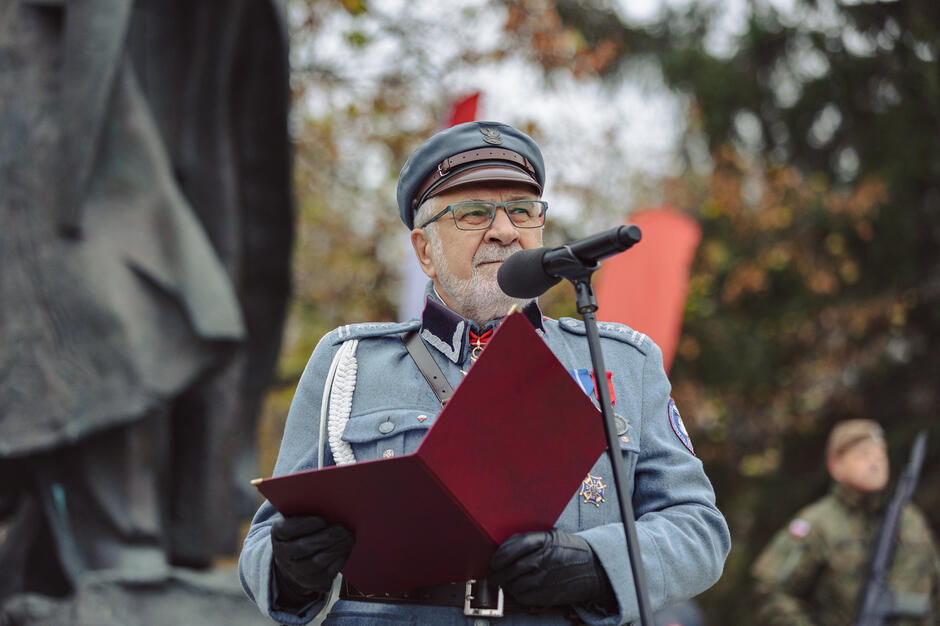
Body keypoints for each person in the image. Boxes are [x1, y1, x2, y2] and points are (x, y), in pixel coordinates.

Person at [239, 121, 731, 625]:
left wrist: (597, 566)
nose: (505, 230)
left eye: (522, 211)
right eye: (474, 213)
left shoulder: (625, 364)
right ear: (425, 251)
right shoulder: (348, 363)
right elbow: (262, 545)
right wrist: (292, 569)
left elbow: (699, 531)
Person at [751, 419, 940, 625]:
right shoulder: (817, 523)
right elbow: (770, 591)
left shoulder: (910, 519)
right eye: (864, 455)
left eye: (880, 453)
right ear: (836, 466)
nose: (876, 462)